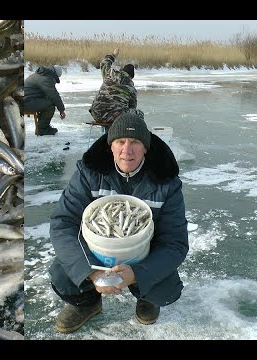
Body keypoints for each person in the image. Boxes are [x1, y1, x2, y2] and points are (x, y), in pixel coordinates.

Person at [48, 112, 189, 334]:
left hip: (143, 255)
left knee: (166, 290)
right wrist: (90, 272)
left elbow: (175, 243)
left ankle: (145, 296)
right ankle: (88, 302)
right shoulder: (89, 173)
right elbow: (63, 224)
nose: (127, 150)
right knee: (62, 275)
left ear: (146, 147)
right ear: (110, 145)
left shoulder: (167, 182)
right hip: (95, 254)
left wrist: (137, 274)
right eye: (120, 142)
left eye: (135, 142)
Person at [89, 48, 144, 131]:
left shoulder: (109, 75)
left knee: (117, 110)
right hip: (114, 116)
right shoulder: (131, 87)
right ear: (131, 77)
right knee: (139, 114)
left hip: (96, 113)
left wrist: (114, 55)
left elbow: (104, 63)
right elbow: (132, 107)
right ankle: (133, 136)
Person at [24, 65, 66, 136]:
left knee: (48, 101)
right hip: (27, 103)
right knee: (51, 105)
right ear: (55, 75)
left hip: (26, 101)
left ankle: (43, 126)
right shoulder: (46, 79)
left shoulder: (40, 74)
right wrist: (61, 110)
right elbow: (54, 95)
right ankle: (42, 129)